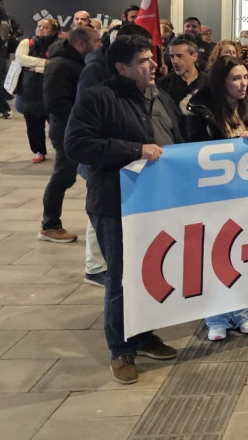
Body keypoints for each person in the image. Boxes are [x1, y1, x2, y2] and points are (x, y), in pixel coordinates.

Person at [64, 35, 182, 383]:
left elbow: (178, 140)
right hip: (115, 203)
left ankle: (143, 334)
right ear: (122, 67)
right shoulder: (98, 98)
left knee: (151, 273)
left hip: (156, 201)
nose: (154, 65)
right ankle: (121, 348)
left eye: (152, 58)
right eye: (145, 60)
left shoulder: (159, 97)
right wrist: (133, 149)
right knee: (120, 277)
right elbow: (77, 145)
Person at [186, 57, 248, 339]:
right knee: (217, 253)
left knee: (245, 252)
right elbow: (195, 150)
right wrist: (232, 147)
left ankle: (242, 312)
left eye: (244, 77)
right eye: (235, 79)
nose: (242, 84)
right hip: (217, 193)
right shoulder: (201, 110)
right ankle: (216, 317)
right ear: (221, 82)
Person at [39, 26, 100, 246]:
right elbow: (54, 102)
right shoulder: (60, 65)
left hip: (77, 129)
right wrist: (82, 114)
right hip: (66, 130)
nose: (99, 44)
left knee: (68, 175)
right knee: (63, 176)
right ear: (81, 44)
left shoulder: (77, 62)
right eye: (96, 41)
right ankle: (50, 225)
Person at [15, 17, 60, 162]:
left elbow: (59, 64)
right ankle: (39, 151)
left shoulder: (60, 45)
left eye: (45, 27)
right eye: (39, 26)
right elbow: (21, 59)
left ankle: (62, 150)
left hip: (53, 90)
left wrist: (38, 68)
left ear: (53, 31)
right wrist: (46, 63)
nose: (40, 29)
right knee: (33, 125)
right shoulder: (27, 42)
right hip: (29, 91)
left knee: (57, 124)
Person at [156, 36, 208, 117]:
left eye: (180, 56)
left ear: (194, 56)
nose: (174, 61)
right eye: (172, 56)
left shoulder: (209, 83)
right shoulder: (163, 84)